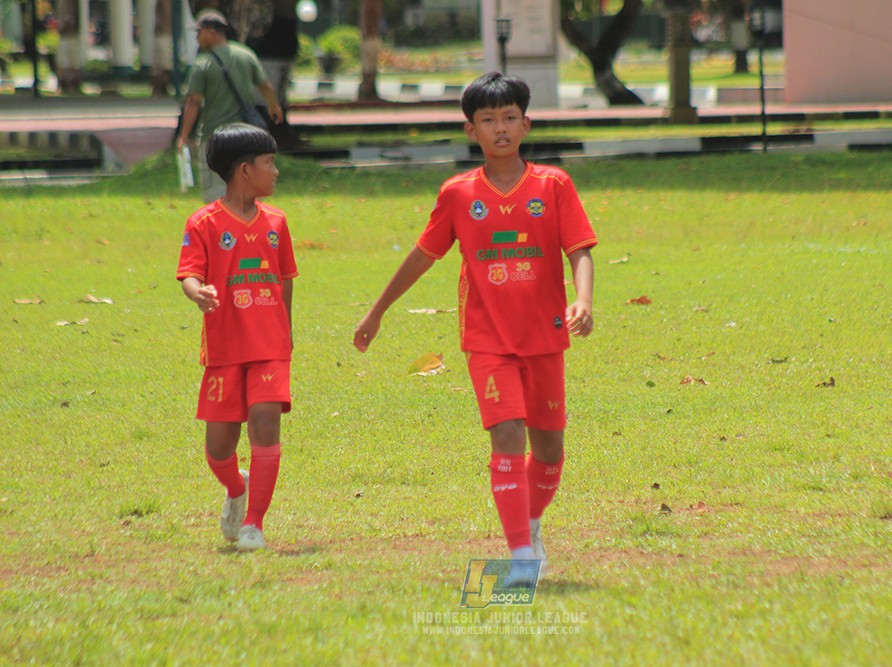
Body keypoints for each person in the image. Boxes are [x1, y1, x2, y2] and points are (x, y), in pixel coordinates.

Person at [353, 73, 597, 580]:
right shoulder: (459, 194)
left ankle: (529, 522)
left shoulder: (554, 185)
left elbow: (579, 249)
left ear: (526, 123)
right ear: (471, 131)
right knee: (507, 433)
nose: (500, 128)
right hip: (486, 339)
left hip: (545, 336)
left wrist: (583, 299)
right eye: (488, 120)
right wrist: (378, 310)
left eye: (510, 117)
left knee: (549, 451)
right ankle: (520, 557)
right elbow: (424, 255)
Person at [176, 123, 298, 552]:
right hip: (226, 350)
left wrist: (287, 330)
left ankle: (254, 524)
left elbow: (284, 280)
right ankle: (235, 486)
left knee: (266, 423)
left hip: (269, 347)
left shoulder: (277, 222)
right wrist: (200, 293)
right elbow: (189, 273)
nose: (276, 172)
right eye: (270, 163)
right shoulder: (204, 222)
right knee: (218, 450)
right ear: (245, 170)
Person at [176, 10, 284, 203]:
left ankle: (221, 230)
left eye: (198, 33)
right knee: (248, 184)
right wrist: (274, 106)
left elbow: (193, 102)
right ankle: (249, 227)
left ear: (211, 32)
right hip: (245, 137)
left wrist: (184, 135)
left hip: (214, 136)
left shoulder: (203, 64)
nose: (197, 38)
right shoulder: (245, 55)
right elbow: (265, 85)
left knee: (214, 190)